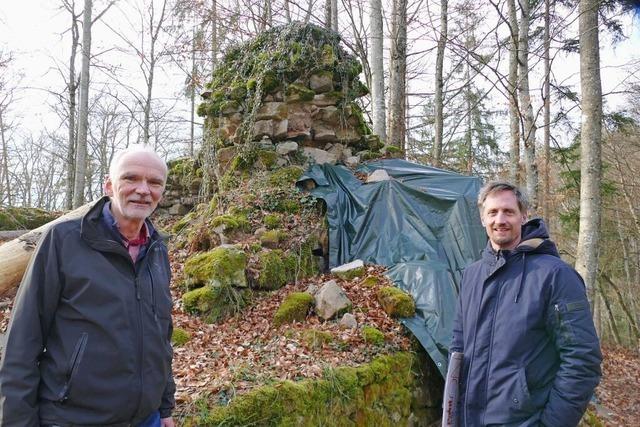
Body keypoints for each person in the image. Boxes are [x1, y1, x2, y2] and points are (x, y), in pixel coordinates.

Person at [0, 145, 176, 426]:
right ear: (109, 185)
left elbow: (161, 335)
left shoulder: (157, 249)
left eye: (154, 182)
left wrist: (164, 407)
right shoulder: (64, 240)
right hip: (74, 418)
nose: (143, 189)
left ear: (162, 193)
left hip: (146, 419)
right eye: (131, 178)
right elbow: (22, 341)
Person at [450, 181, 602, 426]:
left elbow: (583, 359)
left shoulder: (555, 275)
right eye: (492, 212)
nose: (500, 220)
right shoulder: (471, 276)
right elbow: (458, 350)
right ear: (482, 219)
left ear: (523, 216)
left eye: (508, 211)